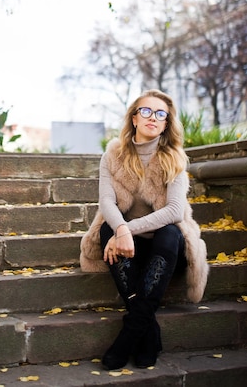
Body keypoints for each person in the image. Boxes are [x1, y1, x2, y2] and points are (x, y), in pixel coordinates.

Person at [80, 89, 209, 370]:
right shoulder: (112, 155)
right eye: (147, 111)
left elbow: (174, 211)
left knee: (170, 232)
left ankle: (129, 334)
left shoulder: (174, 158)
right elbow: (106, 201)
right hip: (127, 248)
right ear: (134, 119)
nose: (154, 117)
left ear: (166, 124)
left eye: (161, 114)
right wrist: (121, 232)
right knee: (106, 231)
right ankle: (149, 334)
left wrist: (127, 229)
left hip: (166, 249)